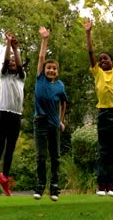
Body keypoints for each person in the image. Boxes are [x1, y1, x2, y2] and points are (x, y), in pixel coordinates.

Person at [84, 18, 113, 197]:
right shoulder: (97, 73)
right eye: (100, 59)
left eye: (105, 58)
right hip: (103, 114)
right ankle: (101, 184)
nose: (102, 61)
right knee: (103, 149)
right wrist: (88, 33)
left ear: (112, 61)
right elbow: (90, 52)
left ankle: (111, 184)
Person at [0, 32, 25, 200]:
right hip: (3, 114)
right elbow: (6, 63)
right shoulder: (3, 76)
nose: (11, 65)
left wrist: (16, 50)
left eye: (14, 64)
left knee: (10, 148)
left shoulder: (21, 78)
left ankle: (4, 177)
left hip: (16, 116)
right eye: (8, 63)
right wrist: (8, 44)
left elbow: (19, 65)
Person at [33, 27, 68, 202]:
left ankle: (54, 187)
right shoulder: (40, 78)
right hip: (40, 121)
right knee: (41, 156)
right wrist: (44, 39)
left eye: (54, 69)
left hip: (54, 124)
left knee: (55, 156)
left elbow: (64, 103)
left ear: (57, 71)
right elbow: (41, 57)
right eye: (49, 68)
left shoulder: (60, 86)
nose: (51, 70)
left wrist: (61, 121)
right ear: (44, 70)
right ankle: (40, 186)